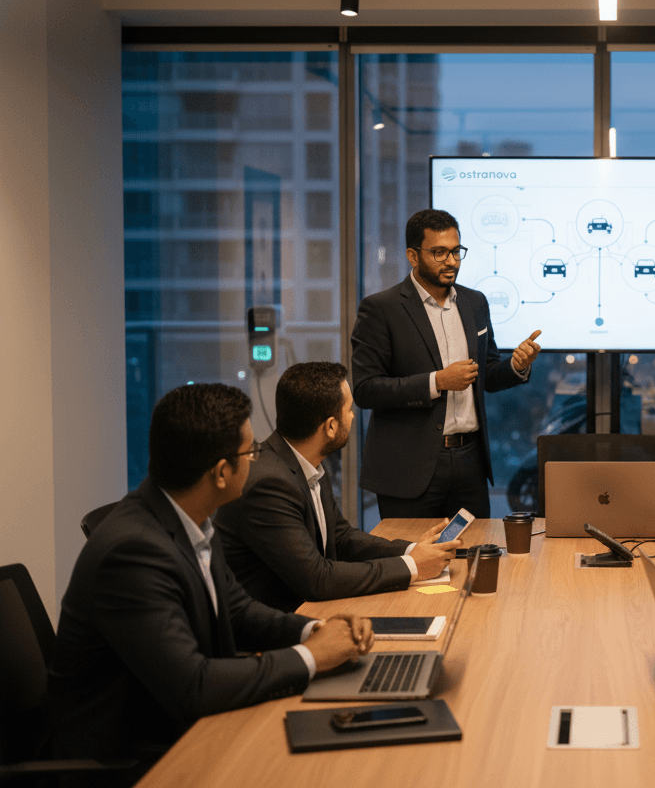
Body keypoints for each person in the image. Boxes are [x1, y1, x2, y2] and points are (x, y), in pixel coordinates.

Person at [48, 384, 373, 784]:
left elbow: (237, 610)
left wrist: (314, 630)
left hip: (182, 726)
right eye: (251, 452)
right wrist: (311, 657)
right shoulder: (132, 552)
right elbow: (193, 686)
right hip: (134, 758)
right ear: (221, 473)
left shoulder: (193, 517)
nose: (258, 459)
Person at [215, 362, 462, 613]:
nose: (354, 416)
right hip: (276, 629)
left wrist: (412, 551)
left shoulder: (308, 463)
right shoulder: (269, 484)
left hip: (310, 611)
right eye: (349, 410)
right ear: (331, 427)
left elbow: (342, 538)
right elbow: (317, 579)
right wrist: (411, 566)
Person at [351, 208, 543, 519]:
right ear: (413, 256)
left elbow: (487, 373)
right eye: (439, 252)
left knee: (474, 556)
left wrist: (516, 366)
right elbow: (365, 390)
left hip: (469, 461)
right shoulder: (381, 309)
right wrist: (437, 382)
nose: (451, 261)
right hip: (410, 466)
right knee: (415, 558)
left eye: (455, 251)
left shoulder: (474, 302)